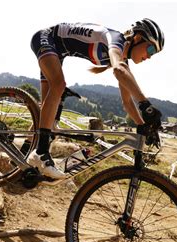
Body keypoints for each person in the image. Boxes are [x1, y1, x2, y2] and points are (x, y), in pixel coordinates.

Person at [27, 19, 164, 179]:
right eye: (151, 49)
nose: (149, 56)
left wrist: (144, 125)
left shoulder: (122, 59)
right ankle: (41, 153)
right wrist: (146, 106)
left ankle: (20, 161)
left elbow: (126, 102)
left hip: (57, 51)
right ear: (138, 38)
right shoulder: (115, 39)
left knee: (45, 118)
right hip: (46, 37)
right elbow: (119, 70)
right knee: (58, 85)